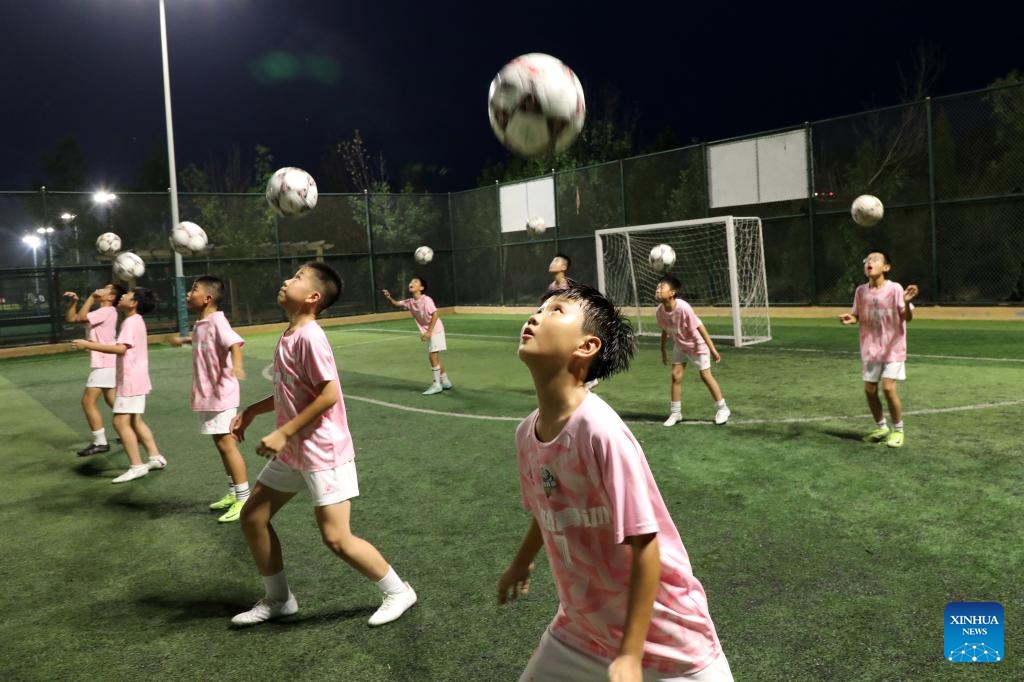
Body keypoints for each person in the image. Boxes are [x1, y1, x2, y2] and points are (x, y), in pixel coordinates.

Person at [498, 283, 733, 682]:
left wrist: (630, 654)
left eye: (555, 311)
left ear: (586, 347)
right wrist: (521, 561)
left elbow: (646, 546)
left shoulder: (599, 431)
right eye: (539, 307)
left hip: (667, 643)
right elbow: (548, 507)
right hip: (581, 631)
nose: (536, 315)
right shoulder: (526, 435)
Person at [230, 262, 417, 627]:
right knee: (253, 516)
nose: (287, 280)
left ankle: (398, 591)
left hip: (321, 450)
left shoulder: (310, 336)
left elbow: (329, 394)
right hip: (295, 449)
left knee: (336, 537)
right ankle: (280, 599)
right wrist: (254, 410)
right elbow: (292, 391)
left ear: (313, 297)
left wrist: (283, 432)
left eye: (297, 278)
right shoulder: (289, 334)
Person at [168, 276, 250, 523]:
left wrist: (237, 365)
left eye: (193, 289)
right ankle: (234, 492)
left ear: (207, 298)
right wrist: (184, 340)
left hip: (221, 394)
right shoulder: (202, 323)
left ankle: (244, 498)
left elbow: (234, 343)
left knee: (227, 444)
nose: (187, 294)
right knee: (220, 444)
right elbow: (204, 342)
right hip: (209, 394)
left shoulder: (216, 320)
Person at [71, 288, 167, 483]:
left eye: (127, 295)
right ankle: (155, 457)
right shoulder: (134, 321)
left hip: (130, 380)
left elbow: (120, 349)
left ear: (133, 303)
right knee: (135, 421)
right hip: (136, 378)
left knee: (120, 422)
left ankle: (136, 466)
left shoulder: (131, 323)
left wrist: (86, 344)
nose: (122, 296)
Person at [839, 250, 918, 448]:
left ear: (886, 267)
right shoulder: (861, 291)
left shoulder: (895, 289)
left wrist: (907, 304)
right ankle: (882, 428)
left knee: (888, 388)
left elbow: (906, 317)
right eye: (867, 260)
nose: (869, 262)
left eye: (875, 259)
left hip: (893, 347)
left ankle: (898, 431)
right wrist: (852, 318)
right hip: (871, 348)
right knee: (870, 390)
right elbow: (857, 314)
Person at [655, 275, 730, 427]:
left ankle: (723, 409)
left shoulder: (683, 308)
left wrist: (713, 349)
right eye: (657, 287)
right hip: (680, 343)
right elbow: (665, 329)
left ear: (672, 293)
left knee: (705, 376)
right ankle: (676, 413)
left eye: (661, 288)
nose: (657, 290)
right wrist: (662, 349)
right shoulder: (660, 311)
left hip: (696, 345)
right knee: (675, 376)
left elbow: (699, 327)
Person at [63, 283, 125, 456]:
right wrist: (74, 302)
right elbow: (72, 318)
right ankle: (133, 430)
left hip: (104, 362)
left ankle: (100, 442)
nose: (101, 289)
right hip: (108, 362)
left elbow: (82, 318)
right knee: (113, 400)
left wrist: (90, 297)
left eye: (105, 289)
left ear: (111, 297)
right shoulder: (102, 312)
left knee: (87, 402)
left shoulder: (106, 311)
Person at [381, 277, 453, 395]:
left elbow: (435, 314)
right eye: (411, 281)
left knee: (432, 356)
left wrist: (429, 331)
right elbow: (397, 303)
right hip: (429, 330)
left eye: (415, 282)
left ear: (421, 288)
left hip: (435, 329)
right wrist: (389, 297)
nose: (411, 283)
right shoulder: (410, 302)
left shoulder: (427, 300)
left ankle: (437, 384)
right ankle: (445, 381)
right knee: (435, 357)